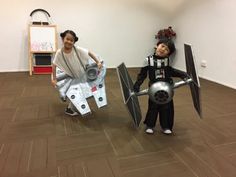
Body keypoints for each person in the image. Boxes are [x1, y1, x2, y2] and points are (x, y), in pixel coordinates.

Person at [133, 39, 188, 134]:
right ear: (157, 45)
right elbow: (142, 74)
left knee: (167, 107)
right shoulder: (148, 60)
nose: (163, 49)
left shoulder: (167, 61)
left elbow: (171, 72)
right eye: (162, 46)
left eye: (166, 49)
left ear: (168, 54)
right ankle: (150, 125)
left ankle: (166, 126)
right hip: (153, 89)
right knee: (153, 107)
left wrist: (182, 74)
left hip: (166, 89)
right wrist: (137, 84)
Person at [51, 30, 102, 116]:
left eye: (72, 40)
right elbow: (54, 65)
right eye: (67, 39)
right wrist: (54, 79)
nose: (69, 42)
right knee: (76, 91)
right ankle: (69, 108)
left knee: (85, 91)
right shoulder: (60, 52)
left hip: (81, 74)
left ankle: (70, 101)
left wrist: (98, 62)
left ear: (74, 42)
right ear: (63, 38)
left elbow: (89, 52)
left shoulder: (77, 49)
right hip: (71, 75)